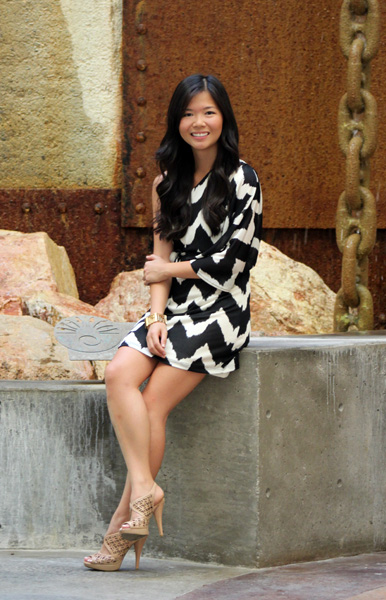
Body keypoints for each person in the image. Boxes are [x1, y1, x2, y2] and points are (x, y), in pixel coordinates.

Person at [83, 73, 263, 571]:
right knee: (119, 373)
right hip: (175, 308)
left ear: (223, 118)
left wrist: (170, 271)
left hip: (221, 310)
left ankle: (119, 531)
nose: (198, 123)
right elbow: (157, 259)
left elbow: (236, 260)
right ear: (176, 122)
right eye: (188, 114)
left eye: (208, 112)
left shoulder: (243, 179)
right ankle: (146, 489)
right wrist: (157, 315)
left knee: (152, 405)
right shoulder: (166, 182)